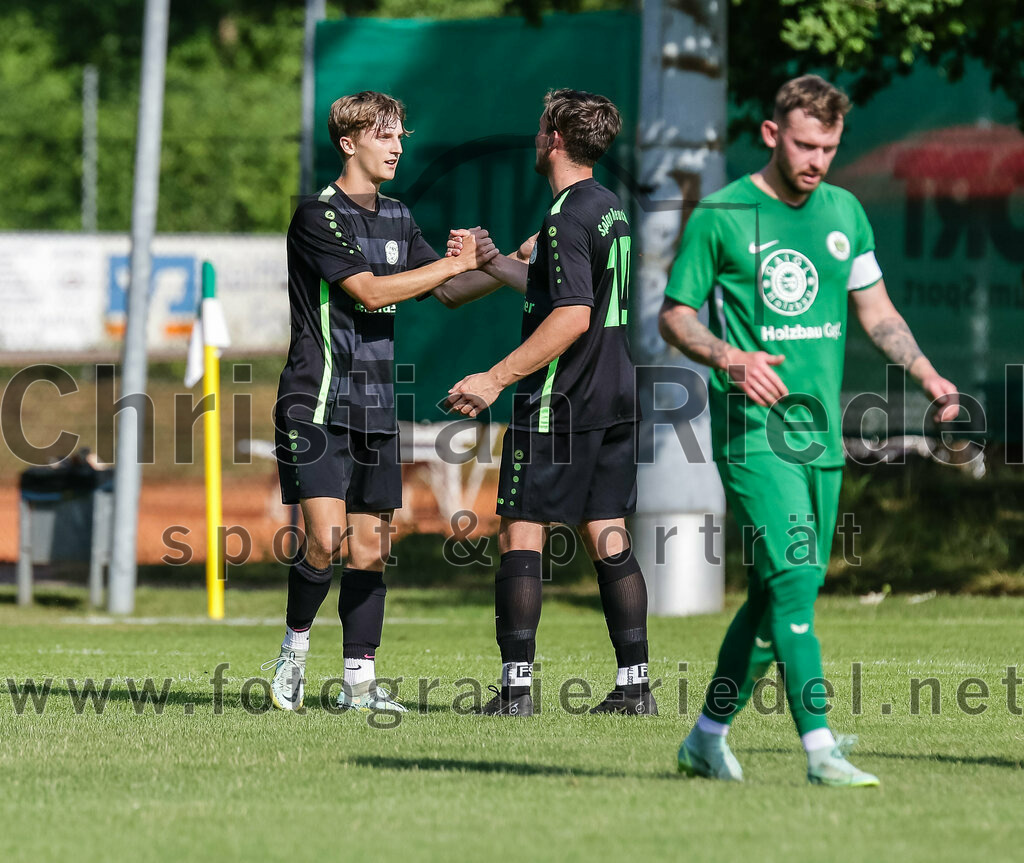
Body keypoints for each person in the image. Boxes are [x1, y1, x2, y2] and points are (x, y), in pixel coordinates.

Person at [658, 75, 959, 785]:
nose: (816, 158)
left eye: (828, 146)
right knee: (794, 577)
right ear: (771, 135)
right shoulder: (724, 214)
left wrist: (931, 377)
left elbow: (877, 311)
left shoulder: (846, 212)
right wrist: (729, 356)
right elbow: (676, 313)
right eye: (804, 144)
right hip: (754, 433)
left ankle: (705, 737)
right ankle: (821, 747)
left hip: (822, 437)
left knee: (775, 596)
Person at [265, 90, 510, 714]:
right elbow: (371, 293)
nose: (399, 147)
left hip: (375, 404)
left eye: (402, 135)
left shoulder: (398, 215)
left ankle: (360, 686)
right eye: (385, 136)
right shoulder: (316, 216)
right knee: (325, 538)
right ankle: (292, 656)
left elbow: (453, 293)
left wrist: (510, 258)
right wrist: (452, 264)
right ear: (350, 144)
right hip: (316, 400)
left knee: (372, 549)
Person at [447, 89, 655, 717]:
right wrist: (494, 263)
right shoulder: (607, 208)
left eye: (542, 128)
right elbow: (559, 288)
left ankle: (515, 692)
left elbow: (570, 316)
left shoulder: (564, 218)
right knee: (608, 530)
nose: (537, 137)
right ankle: (634, 686)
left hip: (560, 401)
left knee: (520, 531)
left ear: (556, 139)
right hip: (615, 395)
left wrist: (495, 377)